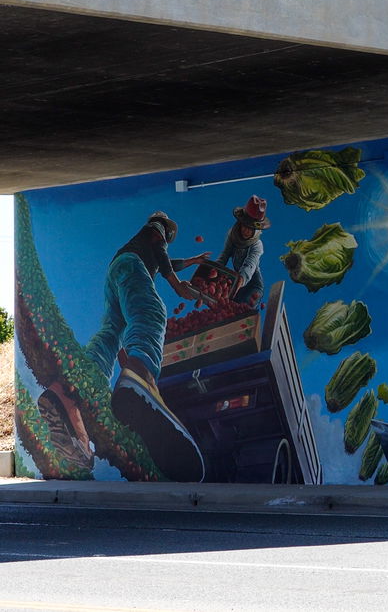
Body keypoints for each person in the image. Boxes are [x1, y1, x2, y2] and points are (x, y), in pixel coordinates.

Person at [81, 211, 209, 482]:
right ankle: (141, 372)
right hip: (131, 266)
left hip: (116, 272)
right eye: (167, 236)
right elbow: (163, 258)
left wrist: (194, 262)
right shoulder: (155, 229)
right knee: (151, 311)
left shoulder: (142, 247)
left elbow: (167, 263)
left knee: (113, 329)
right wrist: (177, 286)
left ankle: (88, 374)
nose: (166, 239)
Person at [215, 195, 270, 306]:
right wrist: (214, 270)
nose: (246, 231)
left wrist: (239, 281)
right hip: (236, 282)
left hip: (252, 285)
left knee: (242, 311)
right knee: (225, 310)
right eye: (244, 225)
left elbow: (249, 265)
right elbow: (224, 255)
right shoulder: (233, 235)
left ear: (256, 230)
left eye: (251, 228)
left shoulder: (257, 245)